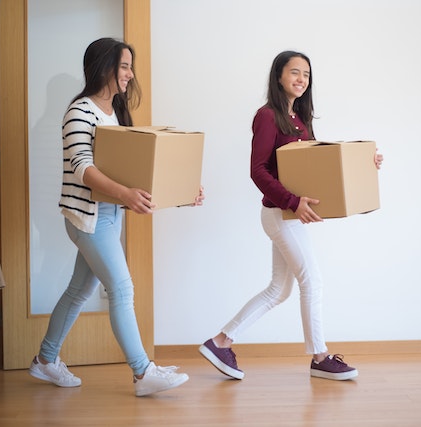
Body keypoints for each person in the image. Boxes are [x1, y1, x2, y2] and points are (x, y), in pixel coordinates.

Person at [29, 38, 203, 397]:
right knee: (121, 289)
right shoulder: (81, 111)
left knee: (78, 290)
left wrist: (184, 194)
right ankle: (143, 373)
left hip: (108, 215)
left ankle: (45, 360)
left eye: (130, 66)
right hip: (88, 218)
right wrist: (124, 194)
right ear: (103, 67)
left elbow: (135, 171)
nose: (130, 74)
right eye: (124, 66)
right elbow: (82, 167)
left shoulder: (115, 114)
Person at [199, 50, 383, 381]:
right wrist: (292, 201)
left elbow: (316, 165)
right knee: (312, 280)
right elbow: (258, 171)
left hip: (291, 215)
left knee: (278, 290)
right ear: (279, 76)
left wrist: (364, 164)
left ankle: (220, 341)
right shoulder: (268, 116)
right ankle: (320, 356)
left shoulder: (300, 119)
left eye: (306, 75)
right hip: (280, 214)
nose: (301, 79)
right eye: (295, 72)